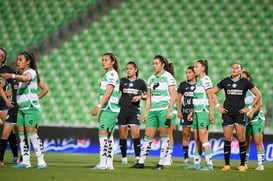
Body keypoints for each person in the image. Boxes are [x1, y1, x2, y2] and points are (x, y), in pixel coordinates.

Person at [1, 51, 47, 169]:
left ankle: (41, 161)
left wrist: (11, 76)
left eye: (20, 60)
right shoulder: (19, 75)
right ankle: (26, 161)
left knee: (32, 134)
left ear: (28, 62)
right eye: (17, 59)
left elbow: (25, 79)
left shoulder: (31, 72)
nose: (17, 62)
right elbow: (20, 91)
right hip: (21, 109)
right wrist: (8, 94)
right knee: (21, 135)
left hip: (31, 109)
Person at [213, 62, 262, 172]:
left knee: (241, 139)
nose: (234, 70)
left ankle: (242, 165)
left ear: (241, 70)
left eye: (237, 68)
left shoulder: (245, 82)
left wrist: (248, 108)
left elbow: (259, 95)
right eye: (233, 68)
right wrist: (218, 106)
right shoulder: (225, 81)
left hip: (240, 114)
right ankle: (226, 165)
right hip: (227, 113)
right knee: (227, 138)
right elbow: (212, 92)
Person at [131, 55, 176, 170]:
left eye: (157, 63)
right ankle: (141, 162)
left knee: (164, 137)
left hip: (164, 109)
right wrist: (145, 113)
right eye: (153, 63)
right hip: (153, 110)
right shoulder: (151, 78)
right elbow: (149, 97)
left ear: (163, 65)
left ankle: (161, 164)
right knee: (147, 136)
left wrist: (170, 111)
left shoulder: (168, 77)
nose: (154, 66)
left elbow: (173, 95)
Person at [184, 60, 214, 171]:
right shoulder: (198, 81)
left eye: (197, 67)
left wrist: (211, 114)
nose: (194, 69)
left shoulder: (206, 80)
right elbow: (197, 99)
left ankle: (209, 164)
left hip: (203, 112)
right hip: (196, 112)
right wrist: (192, 111)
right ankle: (196, 163)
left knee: (203, 138)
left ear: (203, 68)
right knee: (197, 139)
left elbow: (211, 97)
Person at [91, 52, 120, 170]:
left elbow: (108, 92)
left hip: (110, 108)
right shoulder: (107, 75)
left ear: (112, 62)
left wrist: (98, 106)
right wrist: (101, 110)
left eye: (106, 60)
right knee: (108, 135)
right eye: (102, 60)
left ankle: (103, 163)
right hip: (107, 109)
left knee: (103, 134)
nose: (103, 62)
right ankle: (109, 164)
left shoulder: (112, 74)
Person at [117, 61, 147, 164]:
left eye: (130, 69)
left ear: (135, 70)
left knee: (135, 132)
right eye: (127, 69)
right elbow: (115, 91)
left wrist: (140, 97)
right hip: (122, 110)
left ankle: (138, 156)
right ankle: (124, 156)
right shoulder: (122, 81)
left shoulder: (141, 83)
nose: (128, 71)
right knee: (122, 134)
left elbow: (147, 96)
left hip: (134, 110)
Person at [242, 71, 265, 171]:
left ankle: (260, 164)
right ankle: (245, 163)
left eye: (243, 77)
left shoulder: (253, 90)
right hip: (247, 120)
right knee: (246, 142)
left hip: (257, 119)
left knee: (258, 141)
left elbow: (260, 104)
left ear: (248, 79)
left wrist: (252, 112)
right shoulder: (241, 92)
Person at [0, 47, 19, 165]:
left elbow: (17, 85)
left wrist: (8, 95)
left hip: (2, 105)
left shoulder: (7, 70)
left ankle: (15, 156)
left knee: (9, 132)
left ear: (2, 58)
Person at [177, 66, 196, 164]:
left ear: (194, 73)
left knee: (198, 136)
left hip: (197, 113)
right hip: (185, 112)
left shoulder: (199, 84)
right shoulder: (183, 85)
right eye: (186, 72)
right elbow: (178, 98)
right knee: (186, 135)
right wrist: (178, 111)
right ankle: (186, 157)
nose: (187, 74)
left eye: (190, 72)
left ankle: (198, 157)